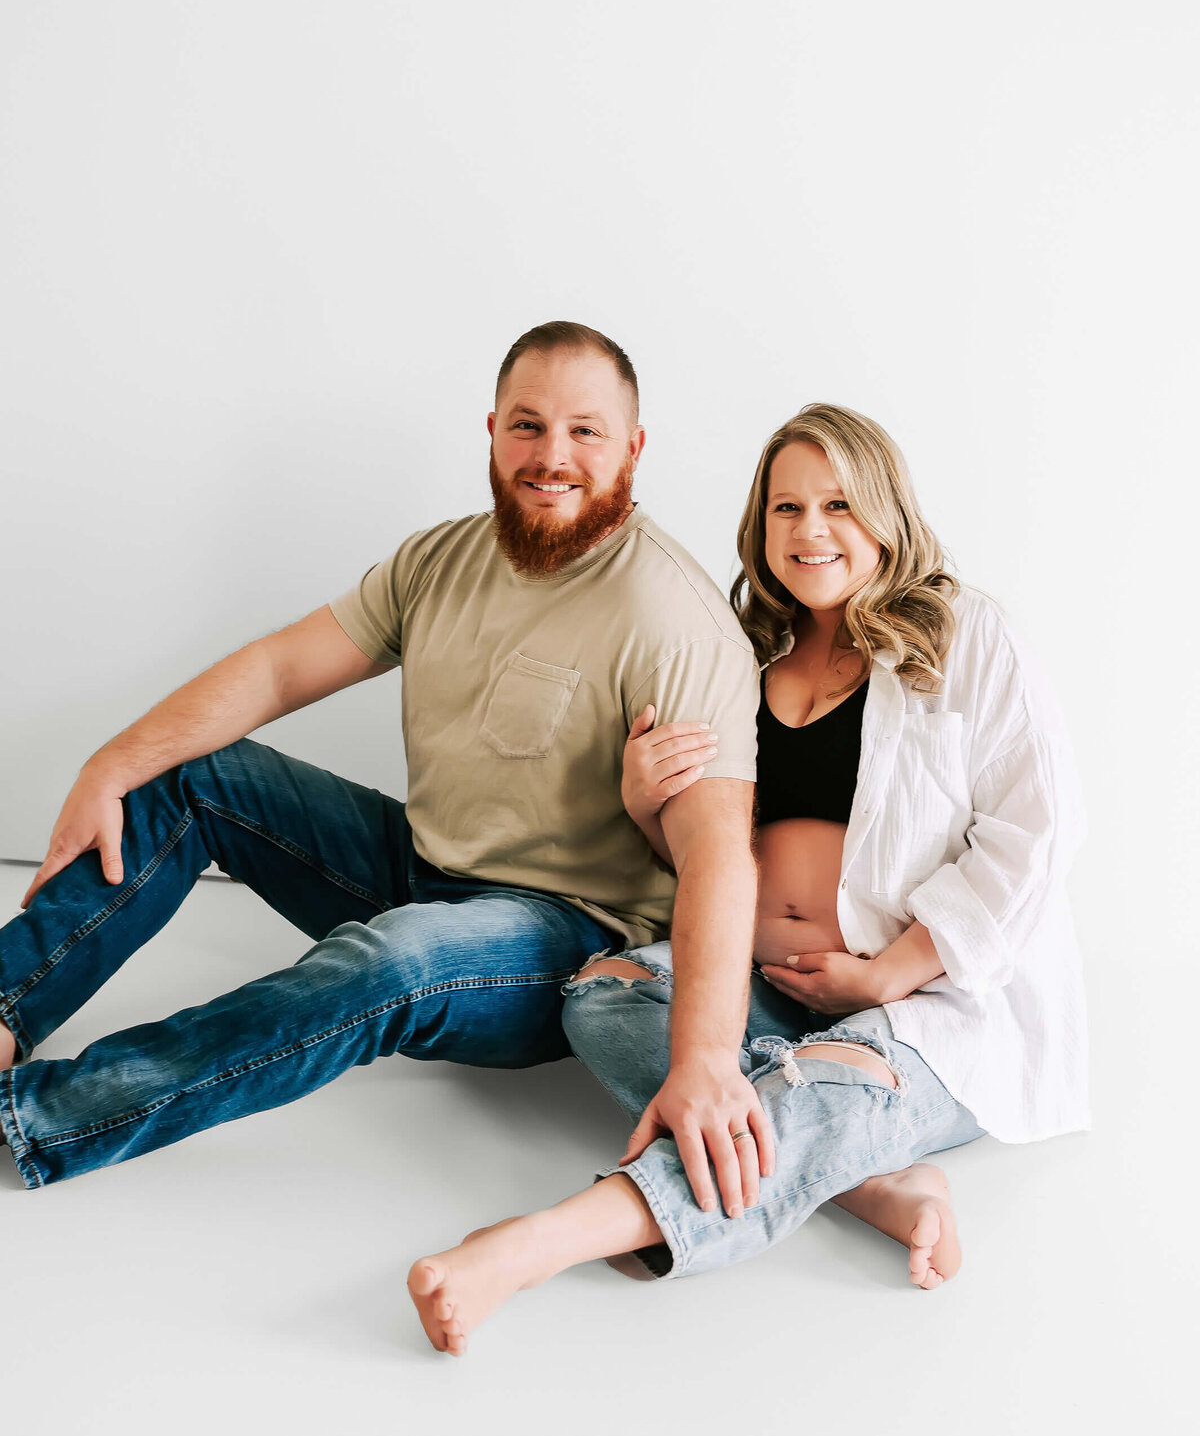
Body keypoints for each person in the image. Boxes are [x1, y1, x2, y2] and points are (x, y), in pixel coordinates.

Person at [0, 321, 775, 1190]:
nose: (552, 455)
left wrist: (705, 1060)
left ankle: (40, 1115)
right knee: (189, 771)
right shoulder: (439, 559)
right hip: (419, 865)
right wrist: (109, 763)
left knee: (391, 958)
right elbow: (278, 668)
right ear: (492, 432)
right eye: (528, 424)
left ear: (632, 449)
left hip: (561, 938)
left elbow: (717, 854)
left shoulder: (677, 621)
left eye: (585, 431)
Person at [407, 403, 1087, 1353]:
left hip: (930, 1007)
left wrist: (891, 971)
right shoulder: (742, 657)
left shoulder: (964, 637)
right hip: (766, 995)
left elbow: (1034, 833)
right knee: (602, 998)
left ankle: (541, 1240)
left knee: (830, 1083)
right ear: (758, 528)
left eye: (838, 504)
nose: (810, 531)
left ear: (886, 511)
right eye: (786, 509)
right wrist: (646, 806)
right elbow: (707, 857)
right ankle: (875, 1178)